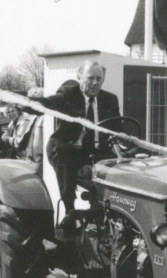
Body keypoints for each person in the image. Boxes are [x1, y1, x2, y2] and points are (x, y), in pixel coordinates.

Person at [31, 60, 120, 219]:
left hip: (94, 151)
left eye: (98, 79)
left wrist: (131, 144)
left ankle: (106, 212)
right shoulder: (68, 94)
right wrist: (25, 103)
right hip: (67, 149)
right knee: (66, 156)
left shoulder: (110, 99)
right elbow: (49, 103)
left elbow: (119, 129)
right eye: (90, 78)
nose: (94, 83)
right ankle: (69, 213)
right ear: (79, 77)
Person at [26, 87, 45, 176]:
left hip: (40, 162)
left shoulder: (45, 118)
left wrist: (39, 160)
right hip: (33, 160)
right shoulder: (37, 117)